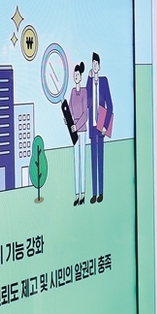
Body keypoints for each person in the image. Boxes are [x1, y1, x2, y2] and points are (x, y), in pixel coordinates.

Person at [86, 52, 112, 204]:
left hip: (101, 127)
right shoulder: (90, 83)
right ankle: (94, 193)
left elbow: (110, 105)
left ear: (99, 66)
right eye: (93, 64)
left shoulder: (104, 81)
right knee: (93, 160)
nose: (94, 66)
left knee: (100, 160)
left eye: (96, 64)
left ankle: (101, 192)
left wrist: (106, 126)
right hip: (92, 127)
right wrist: (88, 79)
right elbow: (86, 101)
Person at [67, 62, 88, 206]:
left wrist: (77, 125)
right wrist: (67, 120)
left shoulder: (84, 92)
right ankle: (76, 194)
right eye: (74, 75)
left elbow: (85, 114)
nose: (75, 77)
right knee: (76, 161)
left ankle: (83, 194)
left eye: (77, 75)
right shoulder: (72, 92)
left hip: (82, 130)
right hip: (74, 131)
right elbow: (69, 109)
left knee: (83, 161)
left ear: (81, 76)